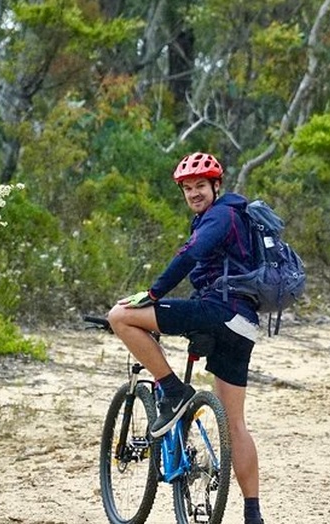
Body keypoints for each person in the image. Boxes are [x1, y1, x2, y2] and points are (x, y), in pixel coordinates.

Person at [107, 152, 265, 524]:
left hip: (219, 312)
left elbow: (191, 255)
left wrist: (154, 294)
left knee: (120, 317)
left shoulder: (220, 216)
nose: (194, 193)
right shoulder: (230, 216)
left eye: (201, 186)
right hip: (243, 324)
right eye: (188, 188)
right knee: (235, 423)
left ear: (216, 186)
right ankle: (253, 515)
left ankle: (173, 391)